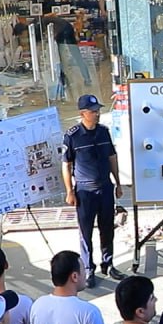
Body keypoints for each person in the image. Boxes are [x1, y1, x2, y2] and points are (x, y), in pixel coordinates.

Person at [63, 93, 125, 287]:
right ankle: (89, 269)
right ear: (83, 113)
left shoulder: (104, 132)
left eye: (98, 110)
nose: (97, 114)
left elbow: (112, 158)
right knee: (86, 232)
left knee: (107, 229)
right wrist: (69, 191)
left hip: (105, 188)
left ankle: (108, 264)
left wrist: (118, 183)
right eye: (93, 111)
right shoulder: (72, 136)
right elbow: (66, 165)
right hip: (85, 191)